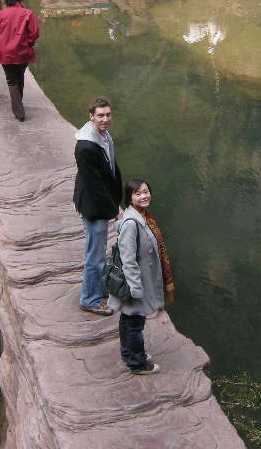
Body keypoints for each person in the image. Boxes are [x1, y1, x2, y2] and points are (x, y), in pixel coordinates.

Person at [108, 178, 172, 374]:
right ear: (129, 198)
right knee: (135, 322)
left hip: (138, 280)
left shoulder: (142, 216)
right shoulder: (131, 223)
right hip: (134, 283)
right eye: (138, 193)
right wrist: (136, 288)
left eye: (146, 191)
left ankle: (128, 353)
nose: (144, 196)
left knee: (128, 319)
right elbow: (128, 259)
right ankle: (137, 363)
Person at [73, 97, 123, 316]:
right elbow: (94, 185)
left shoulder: (103, 136)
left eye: (108, 115)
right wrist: (114, 210)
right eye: (100, 115)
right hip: (94, 207)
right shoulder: (85, 146)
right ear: (91, 116)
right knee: (95, 255)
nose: (105, 119)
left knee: (98, 252)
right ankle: (90, 299)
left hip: (100, 202)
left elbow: (110, 168)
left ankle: (99, 289)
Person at [0, 0, 39, 121]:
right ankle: (19, 104)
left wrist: (0, 42)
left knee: (11, 80)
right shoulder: (27, 13)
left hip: (6, 53)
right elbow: (34, 33)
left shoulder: (1, 15)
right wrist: (28, 42)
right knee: (20, 77)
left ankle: (18, 111)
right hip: (23, 52)